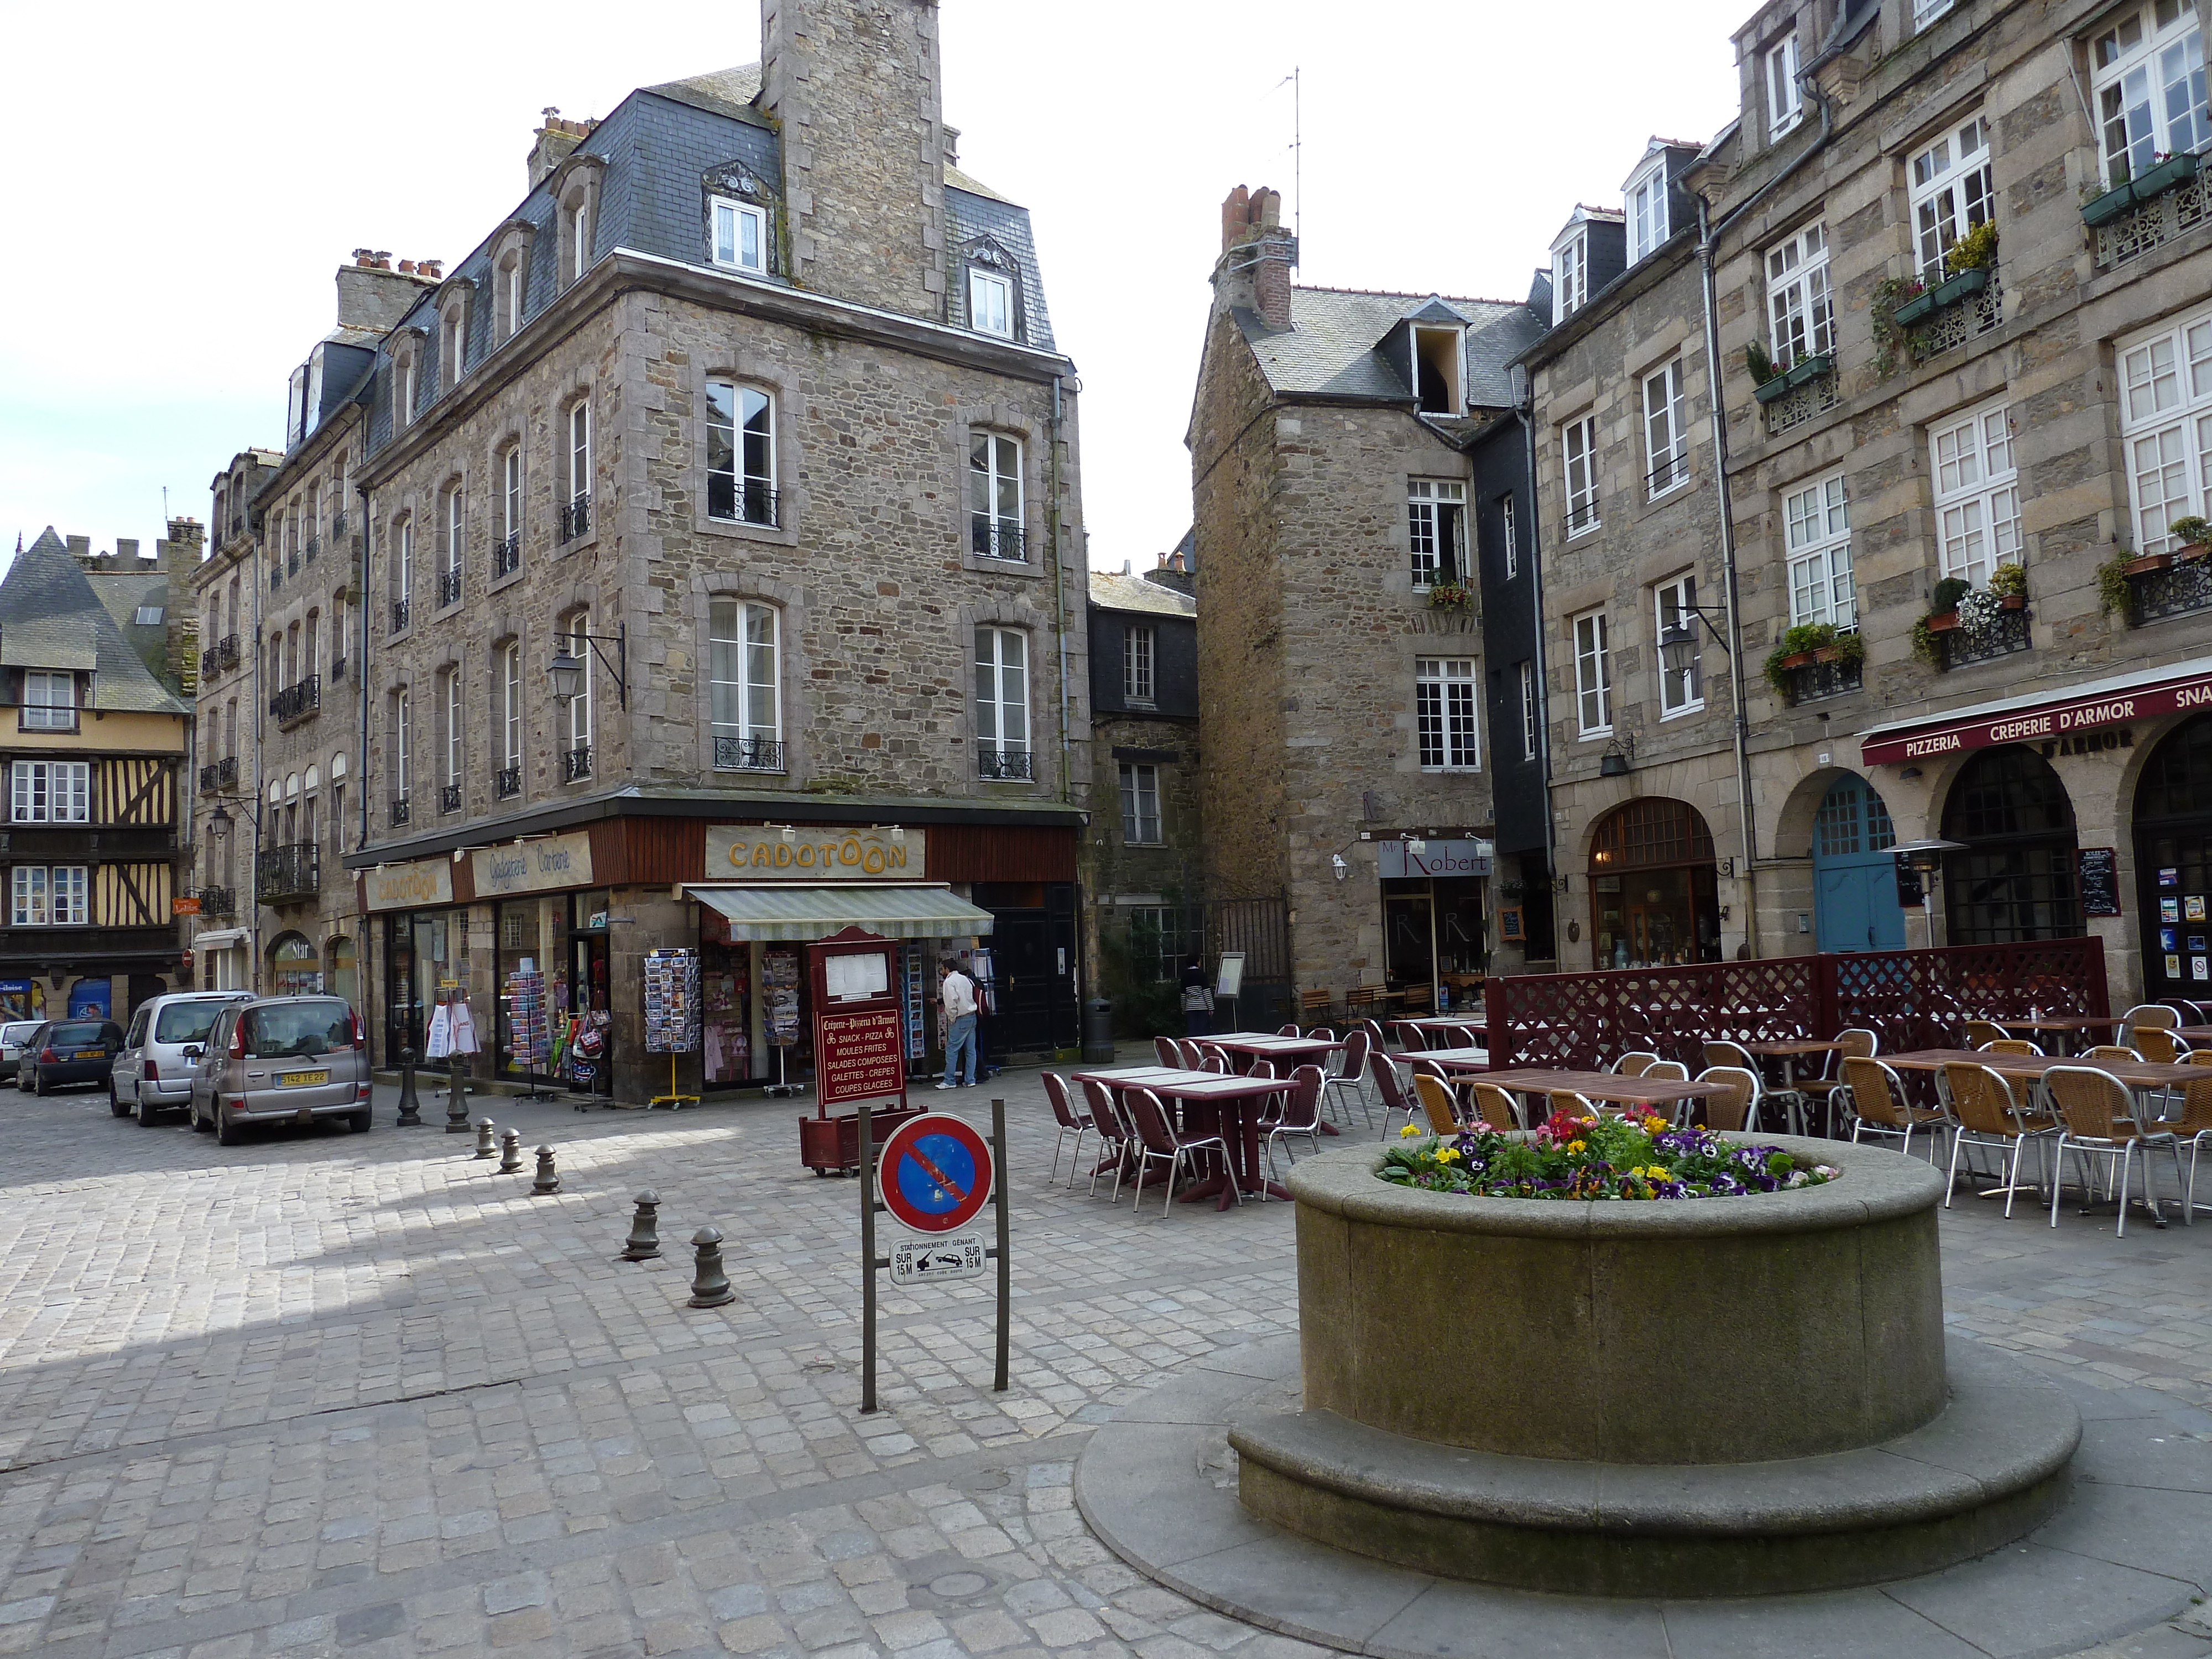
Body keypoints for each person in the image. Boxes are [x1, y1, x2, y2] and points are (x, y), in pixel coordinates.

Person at [938, 956, 978, 1089]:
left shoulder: (949, 982)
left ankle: (949, 1080)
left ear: (947, 969)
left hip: (960, 1017)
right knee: (970, 1050)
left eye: (942, 969)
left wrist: (952, 1018)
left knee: (952, 1050)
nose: (941, 971)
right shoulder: (965, 979)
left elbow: (951, 1002)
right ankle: (970, 1079)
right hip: (972, 1015)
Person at [1180, 955, 1214, 1037]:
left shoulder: (1185, 976)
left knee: (1193, 1030)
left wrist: (1184, 1008)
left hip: (1190, 1007)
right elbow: (1206, 993)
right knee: (1202, 1030)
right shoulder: (1202, 974)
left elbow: (1183, 994)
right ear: (1197, 962)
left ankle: (1193, 1047)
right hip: (1202, 1007)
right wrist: (1211, 1008)